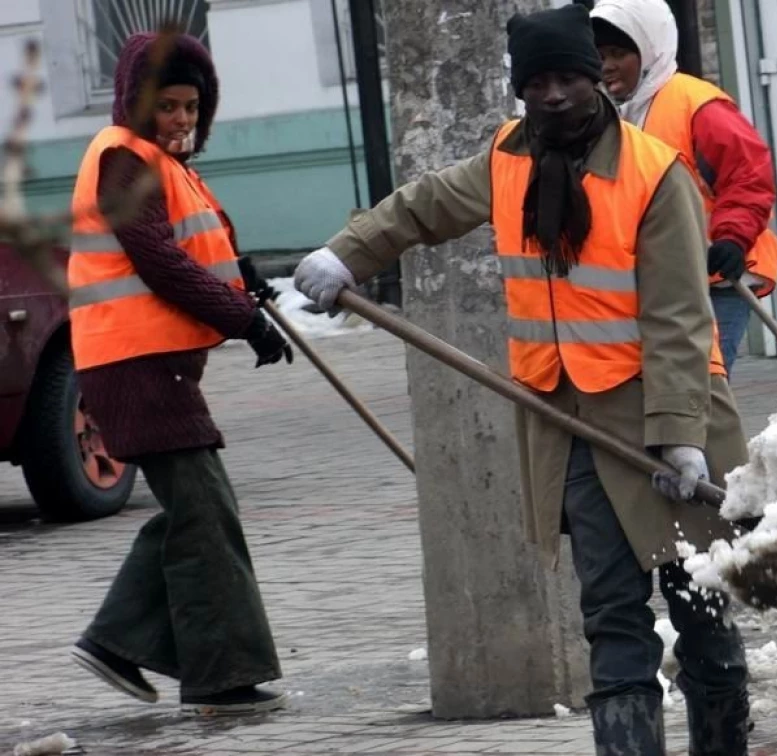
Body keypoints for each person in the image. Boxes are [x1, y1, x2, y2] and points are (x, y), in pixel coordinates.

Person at [293, 4, 750, 753]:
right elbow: (425, 204)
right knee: (611, 613)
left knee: (701, 610)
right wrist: (348, 254)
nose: (556, 96)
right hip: (571, 428)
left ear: (597, 78)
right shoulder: (508, 159)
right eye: (538, 83)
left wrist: (680, 440)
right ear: (521, 90)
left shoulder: (652, 175)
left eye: (570, 77)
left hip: (670, 421)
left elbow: (677, 319)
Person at [67, 32, 291, 716]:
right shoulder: (122, 159)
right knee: (203, 511)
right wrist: (242, 319)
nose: (182, 120)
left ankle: (118, 641)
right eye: (167, 106)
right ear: (135, 103)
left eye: (192, 107)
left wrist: (244, 281)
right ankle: (217, 676)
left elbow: (197, 245)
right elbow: (159, 262)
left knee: (195, 512)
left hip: (153, 363)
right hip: (132, 363)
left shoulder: (160, 163)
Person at [590, 0, 777, 375]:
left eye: (618, 53)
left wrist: (732, 239)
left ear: (648, 50)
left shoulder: (698, 106)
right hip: (662, 279)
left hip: (717, 275)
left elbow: (749, 178)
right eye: (599, 55)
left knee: (699, 383)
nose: (607, 65)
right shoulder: (614, 113)